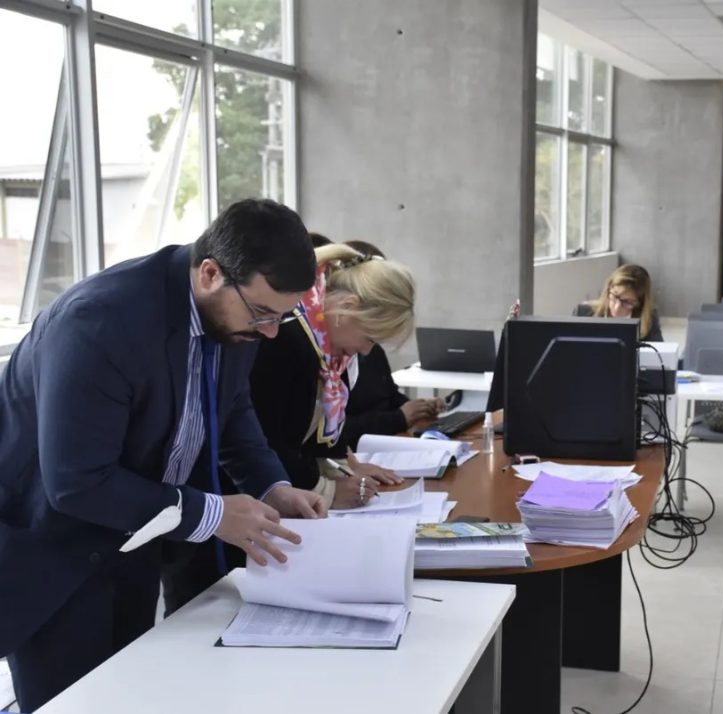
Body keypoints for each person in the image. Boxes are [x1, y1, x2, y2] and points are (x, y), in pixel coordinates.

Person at [0, 199, 328, 712]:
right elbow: (76, 482)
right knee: (72, 704)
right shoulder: (100, 322)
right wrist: (214, 513)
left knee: (132, 697)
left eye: (281, 318)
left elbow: (231, 409)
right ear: (210, 273)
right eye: (263, 314)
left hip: (139, 540)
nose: (269, 331)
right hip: (55, 554)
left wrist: (273, 486)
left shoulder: (234, 316)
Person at [161, 240, 418, 615]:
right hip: (221, 512)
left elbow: (300, 436)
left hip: (249, 507)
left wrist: (335, 468)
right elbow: (262, 439)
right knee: (205, 619)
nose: (366, 351)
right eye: (370, 337)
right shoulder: (285, 339)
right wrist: (325, 488)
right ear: (347, 309)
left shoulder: (321, 348)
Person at [340, 239, 445, 435]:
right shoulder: (331, 357)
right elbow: (336, 430)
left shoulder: (372, 351)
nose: (367, 348)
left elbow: (388, 396)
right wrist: (399, 417)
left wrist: (418, 408)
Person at [574, 264, 663, 341]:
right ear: (608, 290)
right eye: (615, 296)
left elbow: (659, 353)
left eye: (627, 302)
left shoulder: (649, 320)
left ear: (639, 304)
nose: (617, 308)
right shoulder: (583, 313)